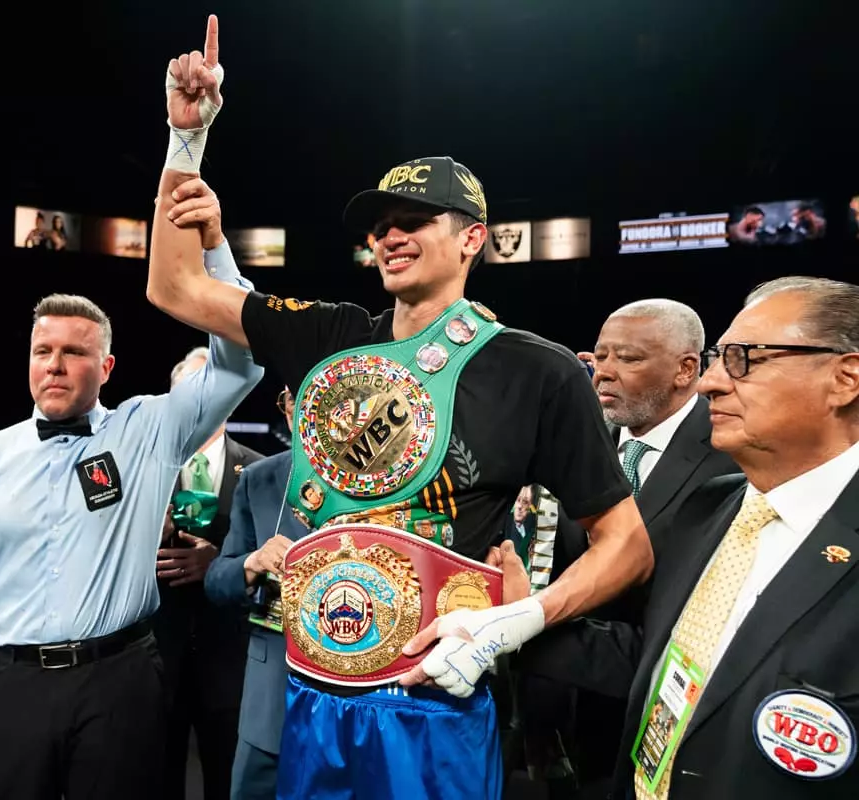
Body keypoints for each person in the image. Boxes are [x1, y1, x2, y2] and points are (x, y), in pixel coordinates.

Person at [145, 16, 652, 799]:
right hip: (312, 690)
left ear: (472, 238)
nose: (388, 237)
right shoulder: (333, 335)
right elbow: (175, 287)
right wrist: (188, 138)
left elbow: (627, 546)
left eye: (412, 221)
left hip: (435, 701)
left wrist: (523, 620)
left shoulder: (537, 371)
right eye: (379, 227)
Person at [0, 257, 264, 796]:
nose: (55, 365)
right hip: (12, 682)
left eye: (74, 352)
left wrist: (213, 248)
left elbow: (238, 366)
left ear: (106, 367)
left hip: (120, 680)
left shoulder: (147, 431)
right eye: (43, 351)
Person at [612, 276, 859, 799]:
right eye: (717, 359)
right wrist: (524, 619)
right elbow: (657, 662)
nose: (710, 384)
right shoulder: (707, 509)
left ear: (846, 377)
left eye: (744, 358)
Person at [516, 299, 741, 794]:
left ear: (687, 369)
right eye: (600, 358)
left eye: (629, 359)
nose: (603, 374)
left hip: (653, 729)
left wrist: (515, 624)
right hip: (557, 726)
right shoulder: (574, 444)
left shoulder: (736, 457)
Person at [155, 345, 265, 800]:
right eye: (190, 391)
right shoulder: (143, 468)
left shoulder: (261, 472)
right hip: (155, 659)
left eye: (212, 389)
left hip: (232, 661)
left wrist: (219, 564)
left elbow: (279, 565)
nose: (201, 401)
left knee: (229, 782)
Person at [203, 386, 310, 800]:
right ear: (284, 409)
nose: (302, 410)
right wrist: (252, 562)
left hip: (359, 696)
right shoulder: (260, 478)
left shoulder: (385, 482)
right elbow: (217, 580)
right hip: (271, 696)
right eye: (292, 400)